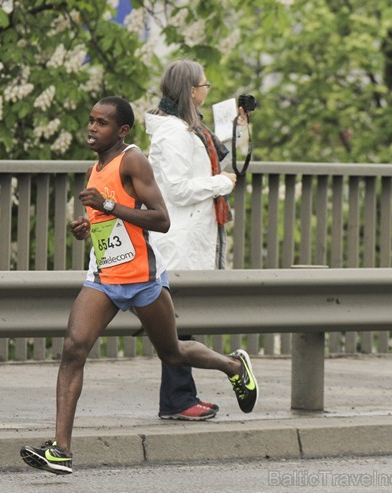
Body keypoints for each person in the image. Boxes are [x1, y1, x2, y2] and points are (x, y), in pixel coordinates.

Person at [20, 96, 258, 475]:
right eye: (91, 120)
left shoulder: (133, 159)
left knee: (173, 352)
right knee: (73, 348)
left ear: (123, 130)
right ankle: (60, 450)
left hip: (142, 277)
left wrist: (109, 207)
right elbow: (104, 221)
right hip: (104, 278)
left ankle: (233, 367)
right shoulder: (93, 169)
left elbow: (161, 219)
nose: (92, 128)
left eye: (101, 123)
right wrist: (85, 227)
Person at [145, 59, 251, 421]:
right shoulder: (174, 133)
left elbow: (221, 159)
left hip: (188, 235)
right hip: (179, 237)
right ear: (191, 90)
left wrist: (238, 130)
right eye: (204, 84)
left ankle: (178, 397)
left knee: (179, 322)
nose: (208, 89)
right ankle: (178, 400)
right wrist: (220, 184)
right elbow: (175, 187)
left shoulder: (188, 129)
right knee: (176, 324)